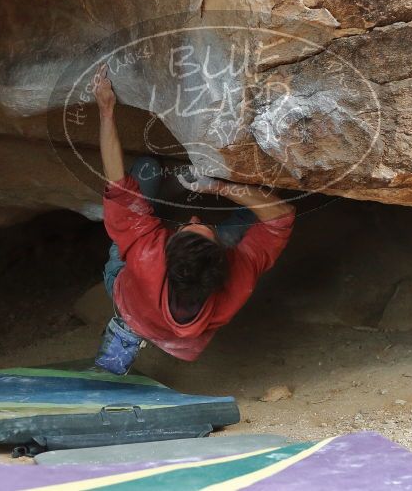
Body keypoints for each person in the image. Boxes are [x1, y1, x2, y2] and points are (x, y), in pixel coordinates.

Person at [91, 63, 295, 374]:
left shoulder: (147, 256)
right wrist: (220, 186)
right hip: (186, 335)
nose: (195, 214)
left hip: (133, 301)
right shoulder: (237, 281)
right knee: (254, 211)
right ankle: (144, 331)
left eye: (186, 227)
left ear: (166, 249)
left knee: (147, 168)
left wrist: (106, 110)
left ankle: (127, 330)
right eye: (206, 227)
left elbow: (118, 185)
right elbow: (281, 218)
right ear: (224, 261)